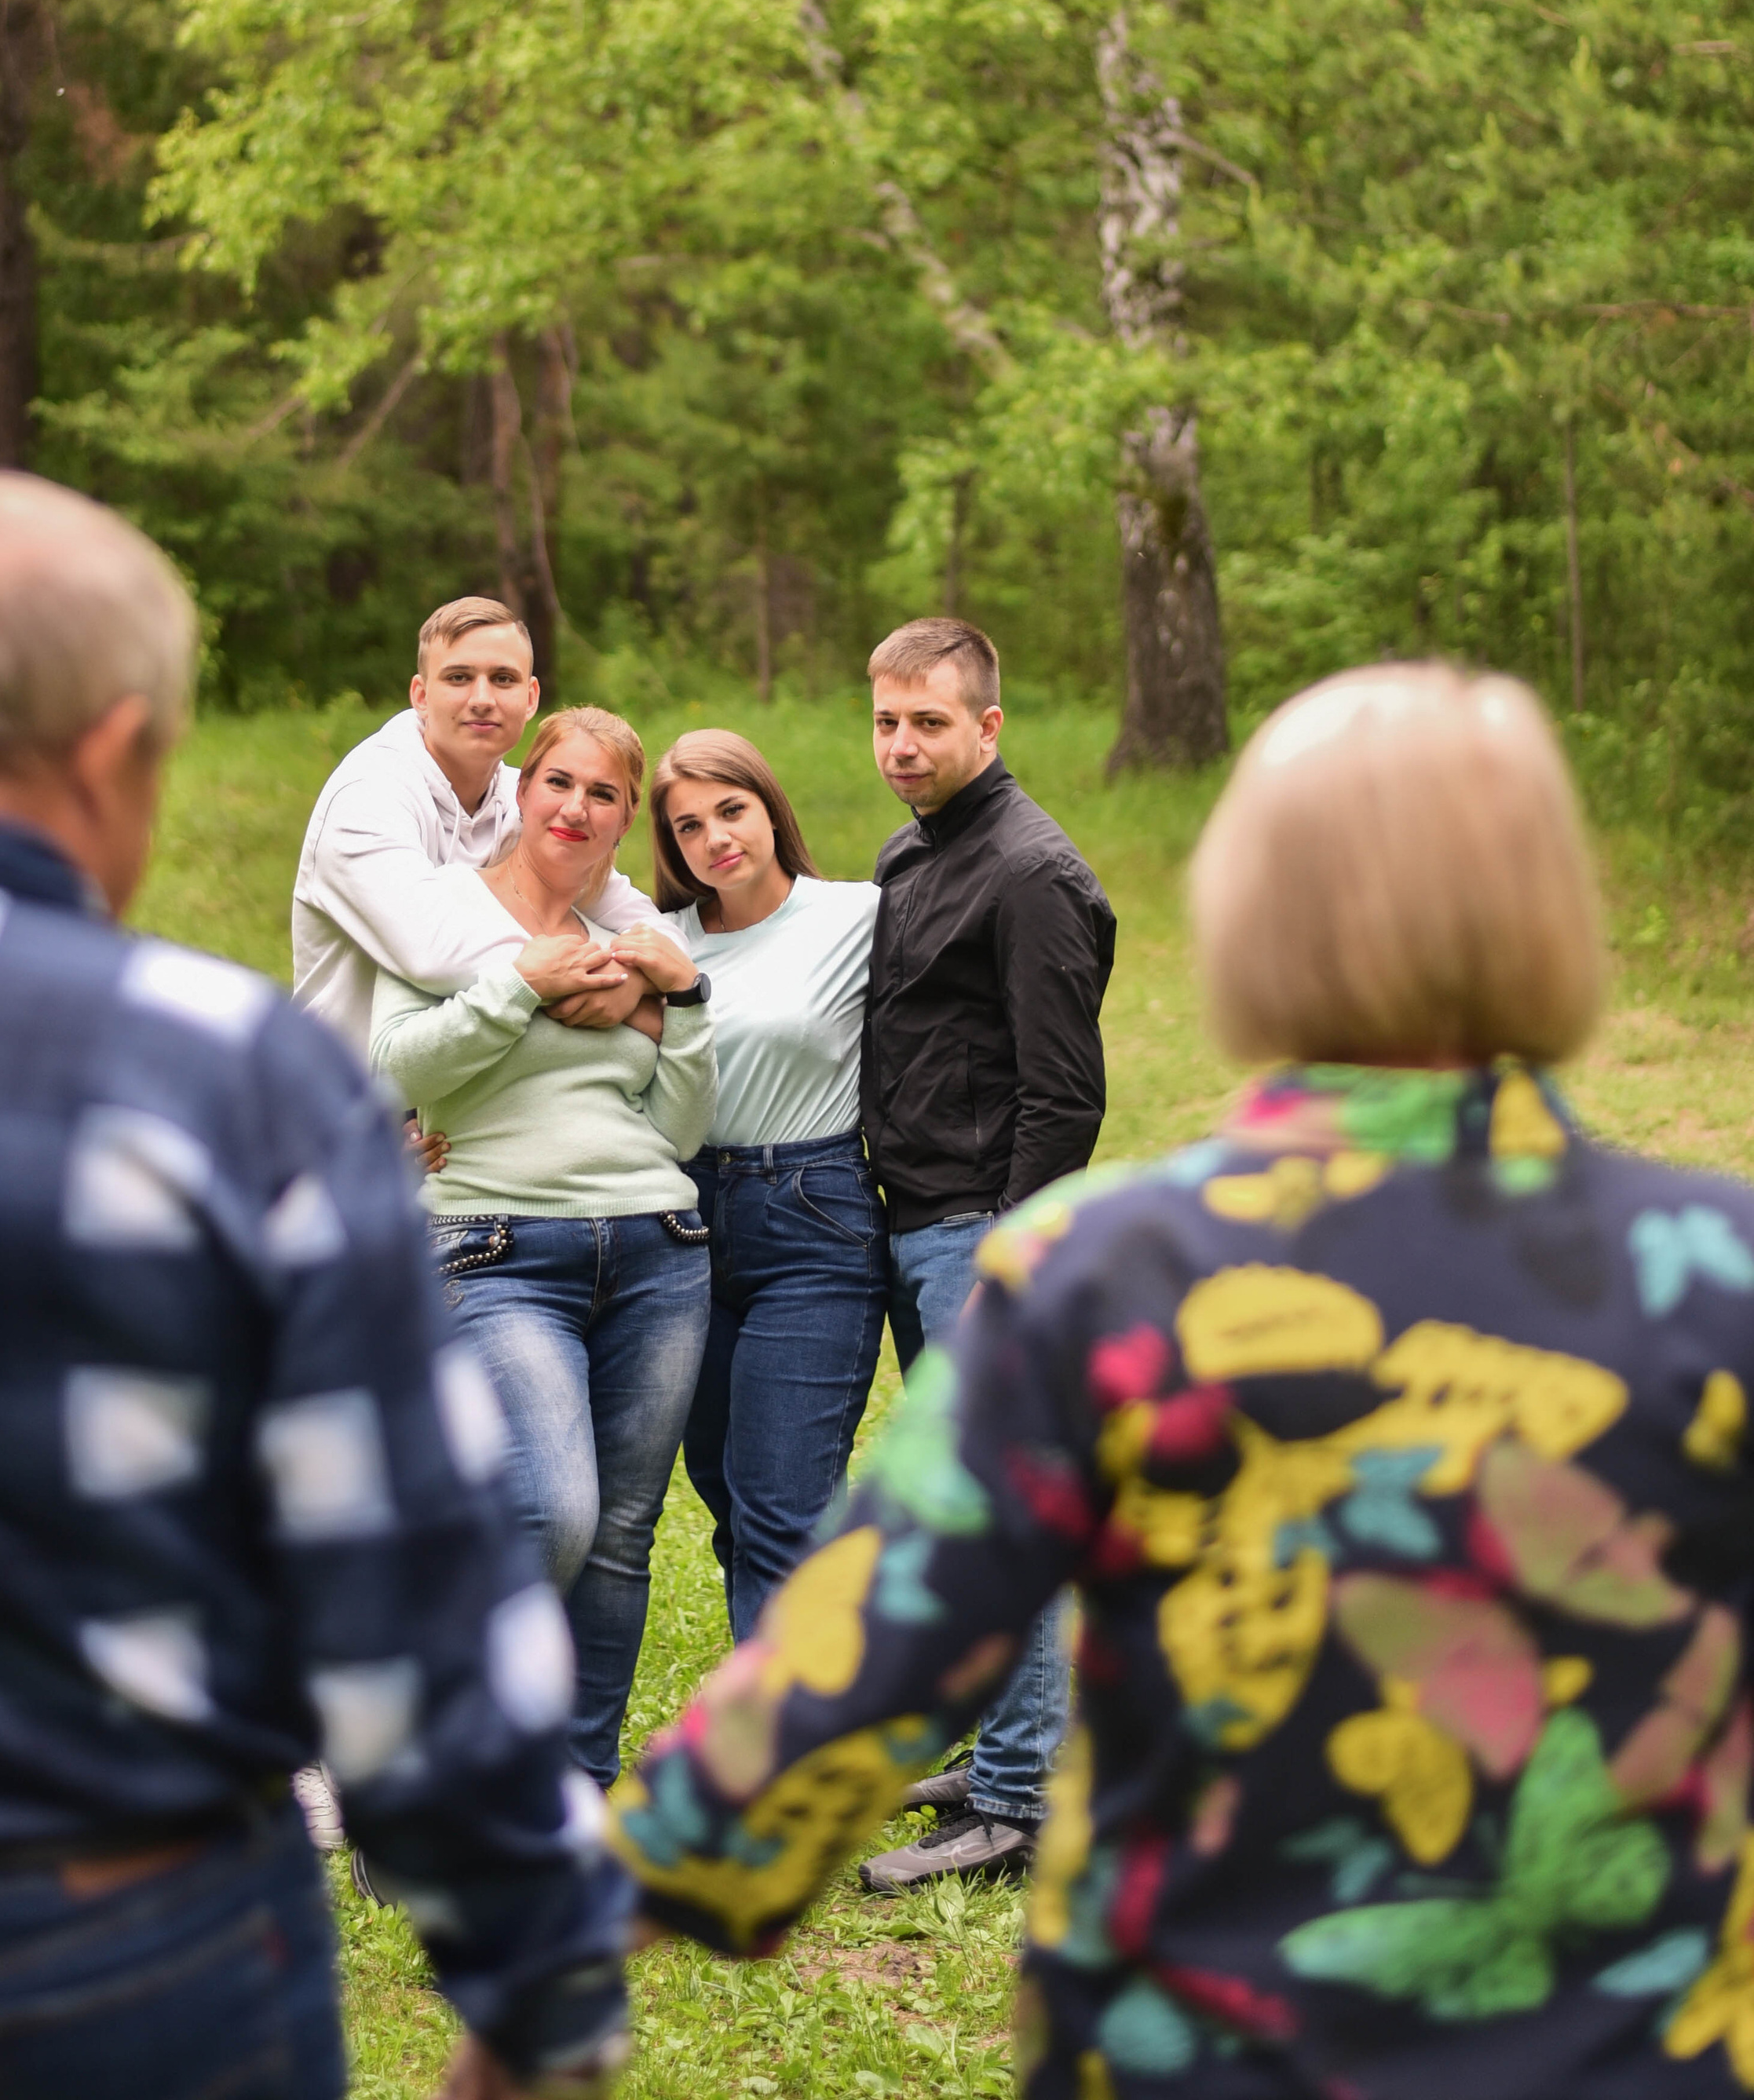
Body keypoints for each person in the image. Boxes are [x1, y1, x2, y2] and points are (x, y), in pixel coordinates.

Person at [609, 661, 1754, 2100]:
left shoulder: (1111, 1279)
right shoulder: (1722, 1278)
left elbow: (838, 1689)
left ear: (1249, 915)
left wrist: (557, 1972)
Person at [0, 474, 632, 2100]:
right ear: (114, 746)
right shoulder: (232, 1077)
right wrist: (537, 1996)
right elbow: (413, 1590)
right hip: (116, 1953)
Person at [370, 707, 717, 1795]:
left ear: (626, 818)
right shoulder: (444, 920)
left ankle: (571, 1791)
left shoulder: (637, 939)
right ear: (524, 794)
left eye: (604, 793)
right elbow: (397, 1071)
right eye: (558, 783)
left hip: (660, 1249)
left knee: (617, 1538)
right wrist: (523, 987)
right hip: (496, 1246)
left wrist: (685, 1007)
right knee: (549, 1511)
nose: (576, 807)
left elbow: (683, 1127)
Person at [857, 615, 1116, 1888]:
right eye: (888, 721)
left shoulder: (1030, 873)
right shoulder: (914, 855)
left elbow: (1064, 1096)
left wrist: (1007, 1255)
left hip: (979, 1231)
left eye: (929, 723)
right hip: (911, 1219)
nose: (902, 745)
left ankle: (1019, 1806)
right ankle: (1004, 1746)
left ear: (989, 727)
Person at [650, 731, 886, 1645]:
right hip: (683, 1224)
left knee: (783, 1506)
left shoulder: (857, 915)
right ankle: (828, 1688)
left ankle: (779, 1761)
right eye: (688, 827)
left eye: (730, 811)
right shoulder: (657, 944)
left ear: (769, 807)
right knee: (727, 1493)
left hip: (812, 1212)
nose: (715, 839)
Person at [291, 596, 656, 1060]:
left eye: (503, 679)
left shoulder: (522, 795)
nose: (482, 700)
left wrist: (637, 979)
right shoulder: (368, 798)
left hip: (451, 1106)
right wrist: (619, 988)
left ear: (530, 699)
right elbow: (436, 952)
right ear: (421, 696)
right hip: (339, 1102)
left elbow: (644, 922)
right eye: (459, 678)